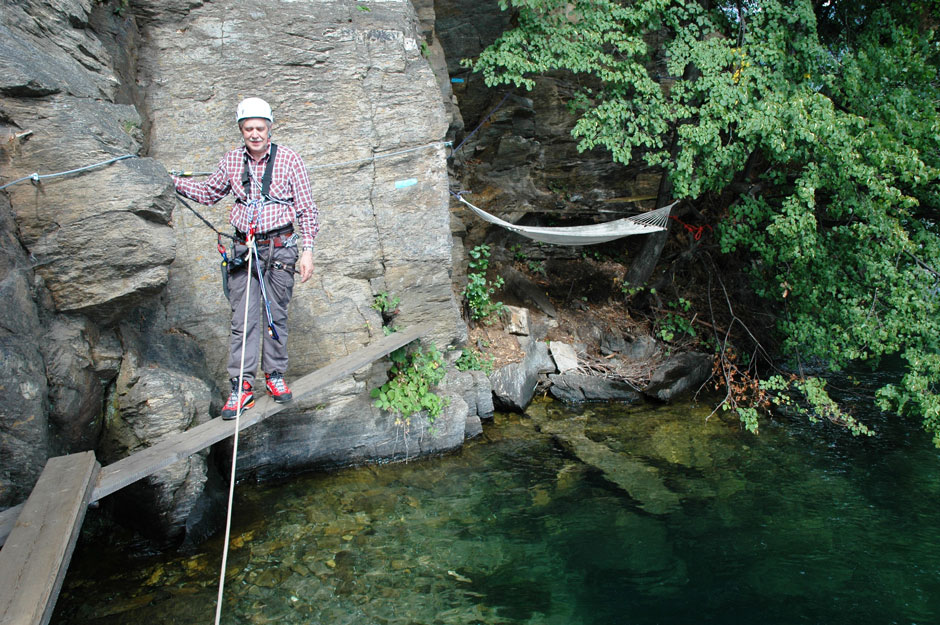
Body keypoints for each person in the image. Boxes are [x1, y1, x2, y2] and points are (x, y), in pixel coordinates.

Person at [173, 97, 319, 419]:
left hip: (280, 248)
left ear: (269, 128)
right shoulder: (231, 162)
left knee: (274, 316)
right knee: (242, 321)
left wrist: (307, 251)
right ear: (241, 130)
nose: (254, 134)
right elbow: (209, 193)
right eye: (248, 128)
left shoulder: (290, 160)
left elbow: (307, 209)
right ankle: (242, 387)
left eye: (259, 128)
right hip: (244, 250)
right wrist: (173, 183)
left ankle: (275, 376)